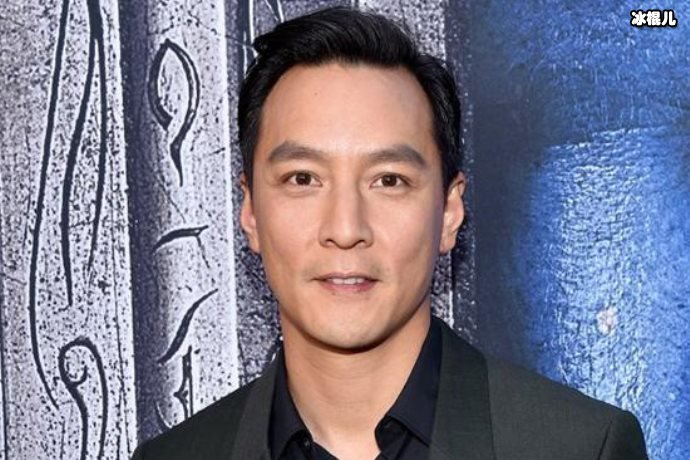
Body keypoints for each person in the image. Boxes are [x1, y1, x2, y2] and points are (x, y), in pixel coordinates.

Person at [132, 6, 648, 460]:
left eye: (389, 180)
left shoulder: (579, 447)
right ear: (250, 212)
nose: (345, 229)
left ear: (449, 212)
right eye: (303, 179)